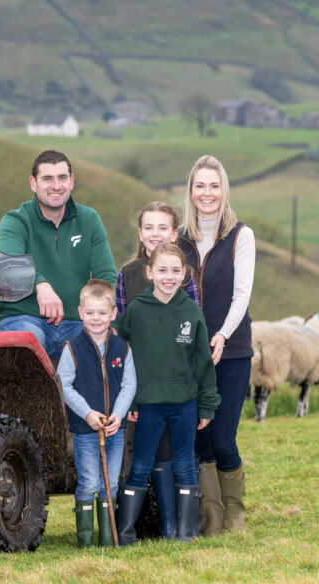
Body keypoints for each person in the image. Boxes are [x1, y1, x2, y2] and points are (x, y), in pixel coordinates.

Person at [115, 243, 220, 545]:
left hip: (185, 403)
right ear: (149, 272)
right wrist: (131, 400)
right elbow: (124, 358)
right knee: (141, 464)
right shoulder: (136, 309)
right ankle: (126, 534)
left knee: (185, 463)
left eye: (176, 271)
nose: (168, 276)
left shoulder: (191, 311)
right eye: (162, 270)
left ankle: (185, 533)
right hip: (148, 404)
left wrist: (207, 405)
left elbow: (203, 362)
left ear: (186, 274)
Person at [177, 155, 255, 535]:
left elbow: (242, 295)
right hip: (191, 354)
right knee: (200, 437)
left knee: (224, 437)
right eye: (200, 185)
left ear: (224, 191)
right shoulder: (179, 239)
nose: (207, 193)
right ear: (190, 192)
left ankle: (236, 516)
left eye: (214, 185)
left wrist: (222, 334)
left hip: (233, 349)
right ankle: (213, 518)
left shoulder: (241, 235)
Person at [0, 150, 117, 358]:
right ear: (33, 183)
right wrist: (41, 285)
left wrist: (107, 318)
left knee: (104, 347)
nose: (56, 186)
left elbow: (106, 277)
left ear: (72, 181)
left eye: (62, 177)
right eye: (47, 179)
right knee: (28, 342)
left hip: (76, 322)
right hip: (25, 317)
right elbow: (10, 264)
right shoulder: (15, 220)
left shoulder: (89, 219)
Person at [57, 279, 137, 547]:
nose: (96, 319)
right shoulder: (72, 348)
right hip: (86, 430)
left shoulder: (122, 347)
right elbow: (64, 385)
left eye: (102, 313)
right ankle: (86, 541)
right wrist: (87, 413)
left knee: (110, 484)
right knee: (90, 482)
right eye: (90, 313)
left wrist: (118, 414)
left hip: (114, 429)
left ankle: (107, 540)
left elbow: (129, 384)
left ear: (113, 313)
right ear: (80, 312)